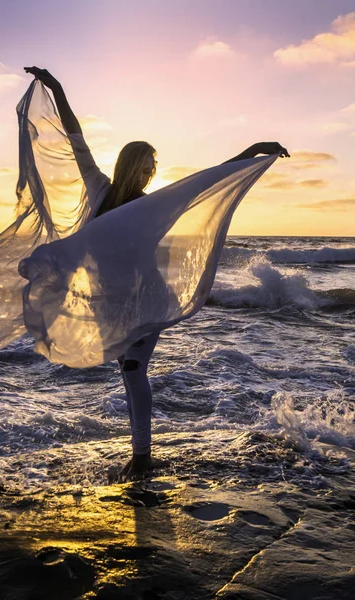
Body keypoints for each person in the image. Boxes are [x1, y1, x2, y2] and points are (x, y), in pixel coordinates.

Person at [24, 67, 289, 480]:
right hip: (108, 300)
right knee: (127, 374)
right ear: (131, 164)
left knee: (133, 370)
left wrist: (251, 150)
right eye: (146, 164)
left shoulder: (153, 205)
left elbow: (202, 185)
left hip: (148, 296)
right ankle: (140, 451)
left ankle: (143, 456)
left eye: (154, 166)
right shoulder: (99, 189)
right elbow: (76, 139)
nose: (150, 171)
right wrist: (57, 88)